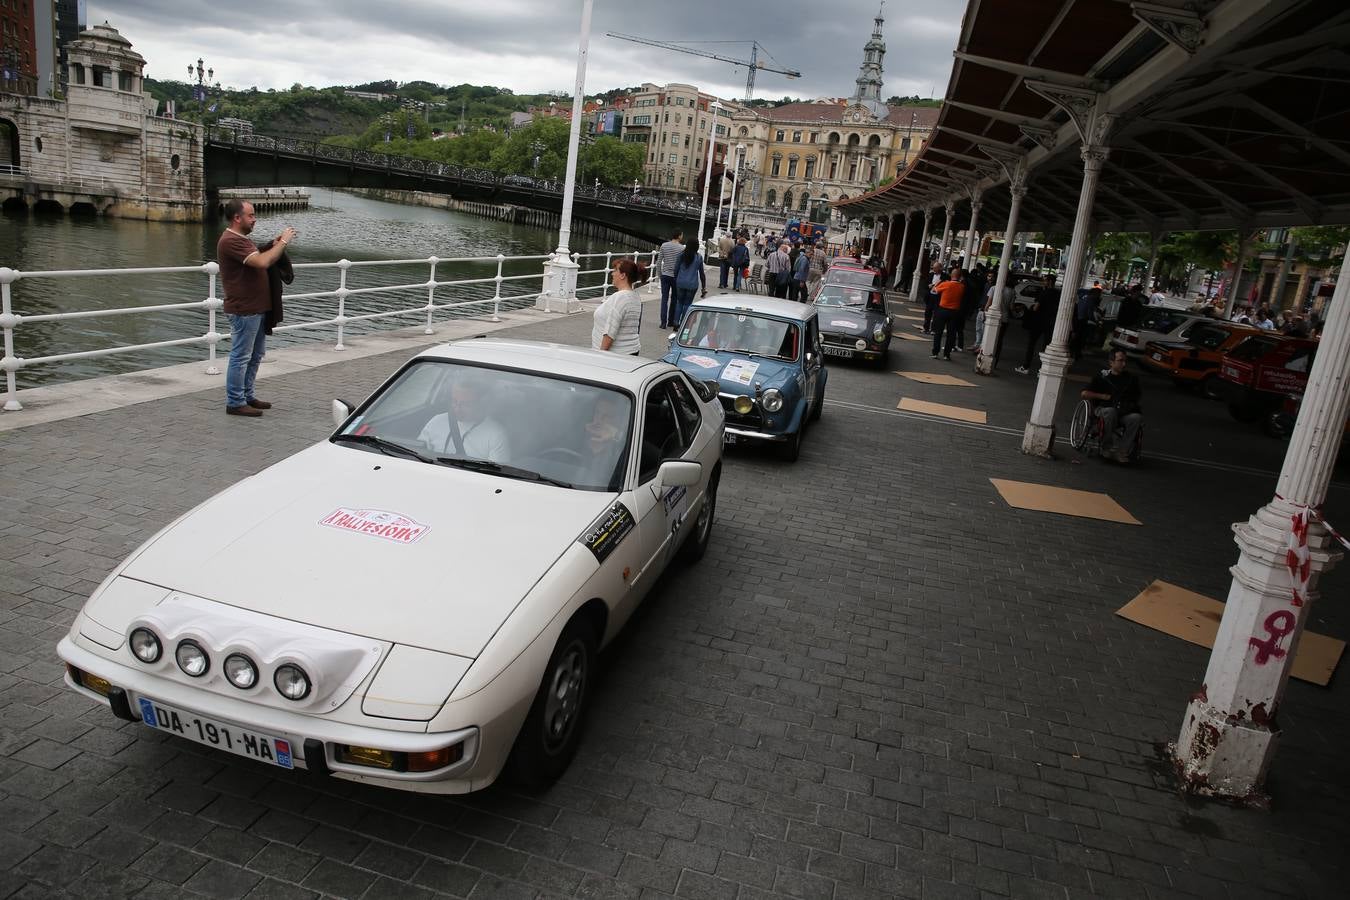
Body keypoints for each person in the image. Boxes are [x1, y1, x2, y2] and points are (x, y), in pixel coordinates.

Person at [216, 199, 296, 418]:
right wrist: (283, 243)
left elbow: (258, 256)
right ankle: (235, 402)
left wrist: (273, 243)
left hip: (256, 308)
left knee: (255, 355)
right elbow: (262, 263)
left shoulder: (242, 239)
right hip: (244, 309)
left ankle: (247, 396)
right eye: (251, 215)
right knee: (241, 356)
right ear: (237, 218)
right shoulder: (230, 241)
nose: (254, 219)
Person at [418, 376, 511, 462]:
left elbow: (494, 476)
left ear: (481, 403)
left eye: (466, 404)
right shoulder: (436, 422)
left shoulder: (496, 434)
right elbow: (418, 454)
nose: (457, 409)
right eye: (454, 401)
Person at [1081, 348, 1143, 463]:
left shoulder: (1131, 379)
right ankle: (1106, 447)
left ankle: (1122, 451)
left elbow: (1136, 396)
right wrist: (1103, 397)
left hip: (1124, 410)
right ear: (1111, 362)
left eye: (1125, 361)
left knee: (1136, 418)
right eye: (1120, 361)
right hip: (1104, 409)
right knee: (1110, 411)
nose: (1124, 364)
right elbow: (1084, 393)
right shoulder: (1102, 377)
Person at [593, 258, 648, 353]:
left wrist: (600, 354)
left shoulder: (620, 298)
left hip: (616, 354)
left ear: (623, 275)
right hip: (630, 350)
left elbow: (610, 331)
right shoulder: (635, 296)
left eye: (615, 270)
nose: (612, 273)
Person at [1015, 274, 1058, 374]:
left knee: (1031, 344)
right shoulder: (1057, 294)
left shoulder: (1043, 293)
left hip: (1038, 321)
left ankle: (1026, 367)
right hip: (1050, 322)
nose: (1043, 282)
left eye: (1045, 281)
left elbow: (1036, 308)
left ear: (1049, 282)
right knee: (1045, 346)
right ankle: (1041, 370)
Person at [930, 266, 966, 361]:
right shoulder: (962, 287)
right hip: (954, 312)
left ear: (951, 275)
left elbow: (934, 291)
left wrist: (937, 284)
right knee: (951, 334)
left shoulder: (946, 284)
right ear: (959, 277)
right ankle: (947, 354)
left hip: (942, 310)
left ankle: (935, 352)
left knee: (938, 332)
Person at [671, 238, 706, 326]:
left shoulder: (681, 255)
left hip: (681, 282)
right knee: (687, 304)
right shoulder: (699, 257)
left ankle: (676, 322)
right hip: (692, 284)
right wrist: (703, 287)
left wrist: (676, 279)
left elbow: (676, 269)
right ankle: (683, 323)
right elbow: (702, 274)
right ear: (697, 246)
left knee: (679, 302)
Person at [657, 229, 684, 328]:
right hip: (676, 277)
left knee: (664, 299)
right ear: (679, 236)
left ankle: (663, 323)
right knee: (674, 299)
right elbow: (682, 265)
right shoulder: (682, 248)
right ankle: (670, 321)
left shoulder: (664, 246)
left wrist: (660, 275)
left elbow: (659, 262)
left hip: (665, 275)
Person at [1071, 285, 1103, 360]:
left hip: (1077, 319)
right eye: (1099, 294)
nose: (1099, 296)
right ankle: (1076, 354)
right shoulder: (1090, 300)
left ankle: (1074, 353)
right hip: (1082, 321)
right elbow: (1090, 313)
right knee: (1080, 338)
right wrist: (1096, 322)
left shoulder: (1084, 297)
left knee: (1077, 338)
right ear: (1095, 294)